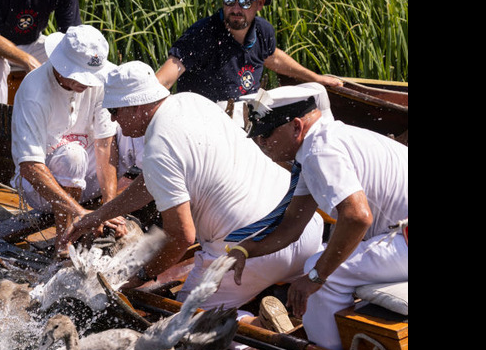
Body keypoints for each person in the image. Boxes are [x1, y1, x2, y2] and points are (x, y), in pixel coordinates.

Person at [59, 61, 323, 312]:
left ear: (136, 107)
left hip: (249, 255)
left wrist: (140, 276)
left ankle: (250, 321)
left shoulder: (157, 149)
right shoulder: (192, 101)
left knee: (177, 326)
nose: (114, 121)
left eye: (114, 111)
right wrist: (97, 216)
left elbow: (183, 236)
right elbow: (151, 182)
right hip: (304, 231)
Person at [229, 83, 408, 350]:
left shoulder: (319, 151)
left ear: (296, 127)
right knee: (324, 260)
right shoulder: (322, 143)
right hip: (399, 239)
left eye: (266, 134)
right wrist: (246, 249)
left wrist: (315, 278)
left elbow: (358, 217)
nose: (261, 143)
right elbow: (291, 225)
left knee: (321, 270)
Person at [155, 0, 342, 121]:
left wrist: (316, 78)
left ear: (259, 4)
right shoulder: (202, 34)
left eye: (245, 2)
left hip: (250, 109)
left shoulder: (263, 31)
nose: (236, 9)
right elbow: (164, 80)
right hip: (208, 117)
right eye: (229, 0)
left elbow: (273, 57)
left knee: (316, 92)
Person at [11, 25, 125, 256]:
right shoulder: (34, 91)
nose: (87, 83)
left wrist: (108, 206)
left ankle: (119, 213)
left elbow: (104, 145)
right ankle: (64, 243)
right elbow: (30, 167)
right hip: (42, 188)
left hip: (88, 177)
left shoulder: (101, 82)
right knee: (72, 155)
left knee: (134, 130)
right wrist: (80, 212)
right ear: (60, 64)